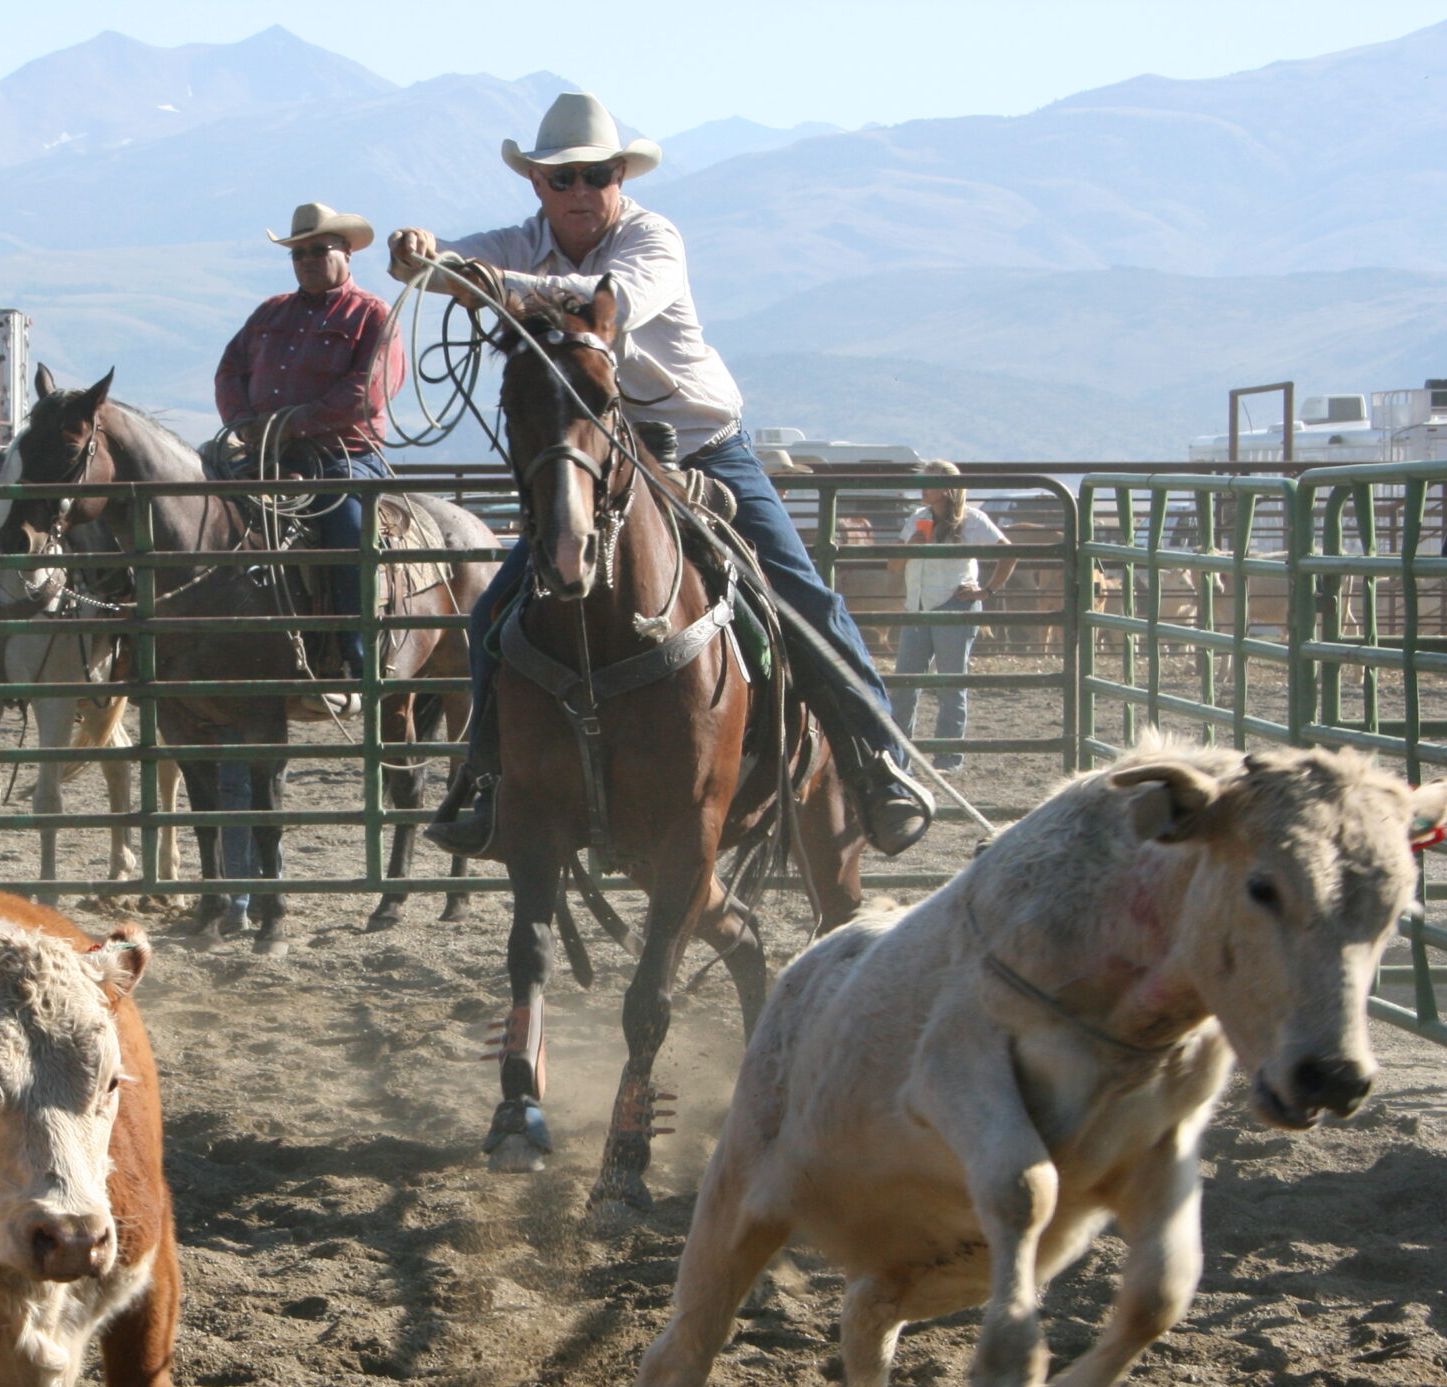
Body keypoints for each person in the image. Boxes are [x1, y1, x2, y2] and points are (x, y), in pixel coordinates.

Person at [390, 94, 934, 857]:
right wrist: (420, 253)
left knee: (802, 595)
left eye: (597, 175)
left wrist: (486, 280)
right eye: (563, 177)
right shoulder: (524, 240)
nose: (580, 191)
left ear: (620, 178)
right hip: (600, 459)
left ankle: (880, 761)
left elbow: (610, 302)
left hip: (703, 444)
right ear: (539, 185)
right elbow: (441, 264)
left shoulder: (653, 238)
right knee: (493, 614)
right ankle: (488, 776)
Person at [213, 202, 406, 680]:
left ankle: (359, 653)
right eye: (298, 254)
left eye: (319, 250)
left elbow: (369, 389)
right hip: (266, 452)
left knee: (344, 521)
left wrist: (295, 422)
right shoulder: (269, 312)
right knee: (205, 512)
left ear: (346, 253)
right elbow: (229, 371)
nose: (307, 261)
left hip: (344, 454)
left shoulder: (372, 314)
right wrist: (245, 423)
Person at [887, 461, 1014, 772]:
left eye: (929, 482)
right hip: (917, 606)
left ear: (947, 488)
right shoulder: (917, 519)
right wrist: (911, 548)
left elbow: (1008, 551)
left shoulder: (973, 520)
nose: (923, 488)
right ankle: (902, 757)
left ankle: (948, 757)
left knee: (950, 684)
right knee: (905, 685)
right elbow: (892, 566)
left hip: (952, 604)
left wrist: (987, 590)